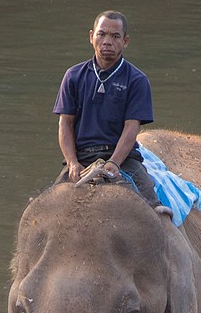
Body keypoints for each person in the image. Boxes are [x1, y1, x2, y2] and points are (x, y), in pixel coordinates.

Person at [54, 11, 161, 206]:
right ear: (91, 37)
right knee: (47, 208)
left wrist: (114, 162)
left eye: (115, 36)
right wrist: (72, 162)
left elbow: (131, 127)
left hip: (123, 159)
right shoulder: (73, 76)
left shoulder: (137, 80)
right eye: (101, 34)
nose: (107, 42)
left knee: (154, 208)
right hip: (82, 157)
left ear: (125, 41)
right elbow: (65, 124)